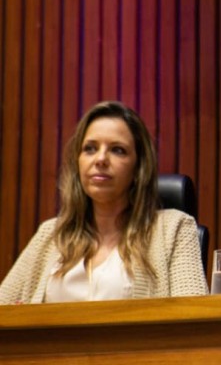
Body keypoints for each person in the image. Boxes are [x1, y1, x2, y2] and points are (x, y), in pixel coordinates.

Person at [0, 101, 208, 304]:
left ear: (138, 168)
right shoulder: (51, 234)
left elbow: (193, 315)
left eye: (117, 150)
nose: (100, 159)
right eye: (90, 148)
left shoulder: (174, 229)